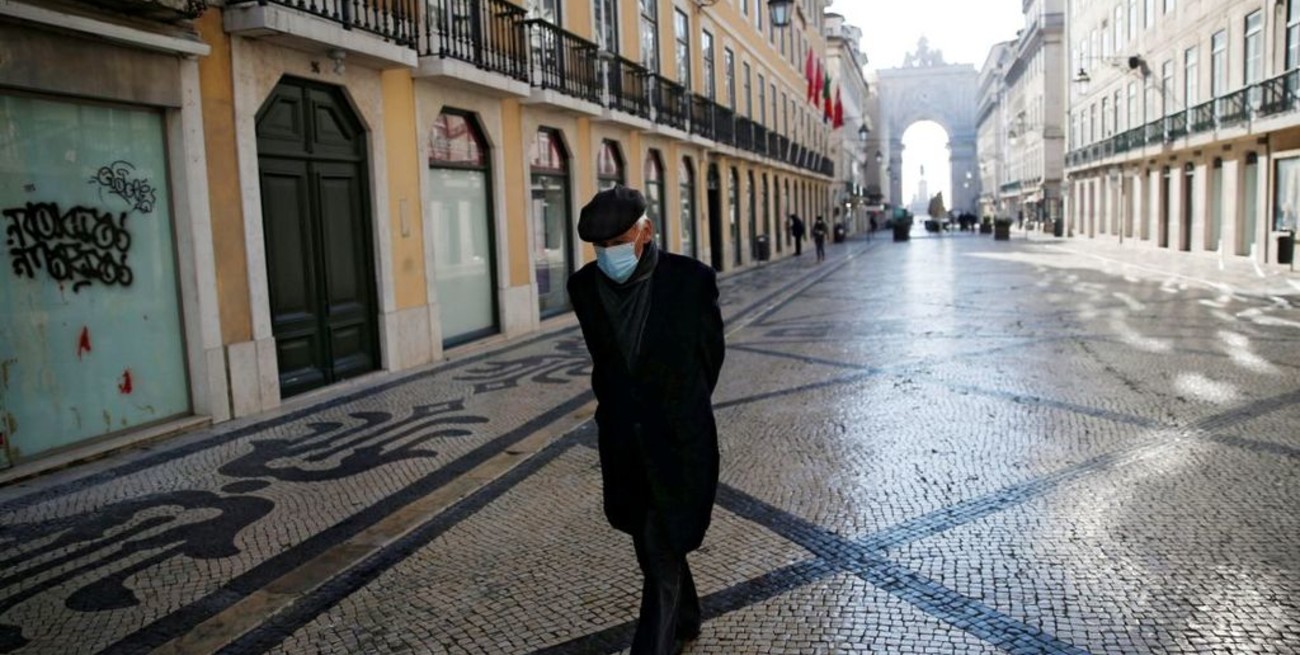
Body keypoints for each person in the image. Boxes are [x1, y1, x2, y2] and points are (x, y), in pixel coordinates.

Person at [567, 186, 726, 655]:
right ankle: (688, 617)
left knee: (660, 550)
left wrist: (680, 405)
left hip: (680, 440)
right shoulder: (584, 289)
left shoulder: (691, 281)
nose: (609, 254)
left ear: (646, 232)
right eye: (602, 247)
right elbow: (606, 361)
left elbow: (709, 357)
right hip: (623, 442)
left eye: (618, 242)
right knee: (652, 544)